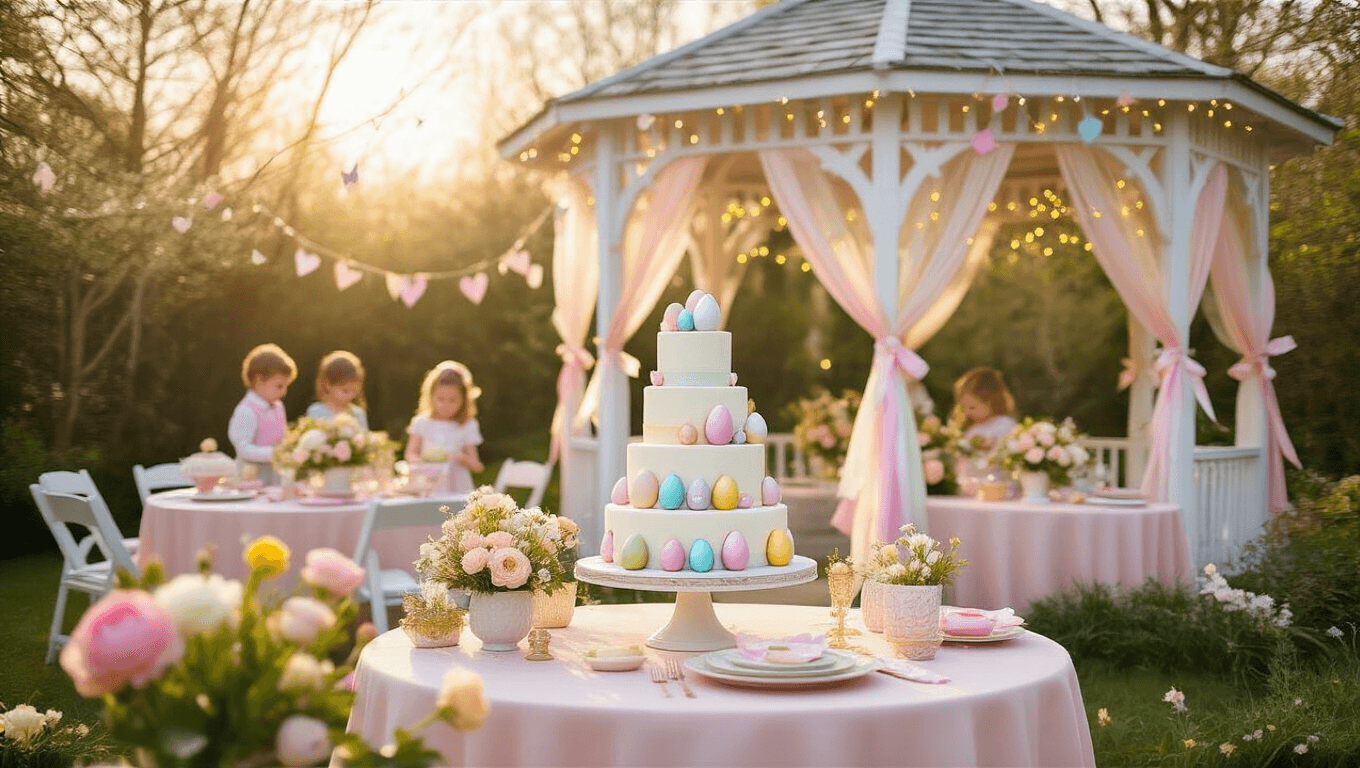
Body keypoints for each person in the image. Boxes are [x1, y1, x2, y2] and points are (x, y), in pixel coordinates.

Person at [405, 361, 484, 494]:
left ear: (463, 400)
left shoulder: (466, 425)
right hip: (428, 484)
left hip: (457, 487)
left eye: (452, 400)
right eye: (440, 399)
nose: (445, 405)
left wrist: (459, 457)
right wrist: (424, 462)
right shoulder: (422, 422)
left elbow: (477, 466)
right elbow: (410, 453)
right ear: (431, 396)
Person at [228, 343, 297, 484]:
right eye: (279, 386)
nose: (284, 392)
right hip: (250, 478)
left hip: (275, 475)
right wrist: (276, 454)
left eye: (286, 386)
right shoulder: (246, 410)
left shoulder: (278, 407)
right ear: (259, 380)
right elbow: (243, 449)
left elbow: (280, 438)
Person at [951, 366, 1018, 447]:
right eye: (964, 407)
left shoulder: (1005, 424)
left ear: (992, 402)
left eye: (972, 407)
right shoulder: (973, 430)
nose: (967, 412)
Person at [306, 350, 369, 430]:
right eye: (345, 390)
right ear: (328, 385)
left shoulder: (358, 413)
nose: (350, 395)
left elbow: (364, 439)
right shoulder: (316, 411)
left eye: (354, 390)